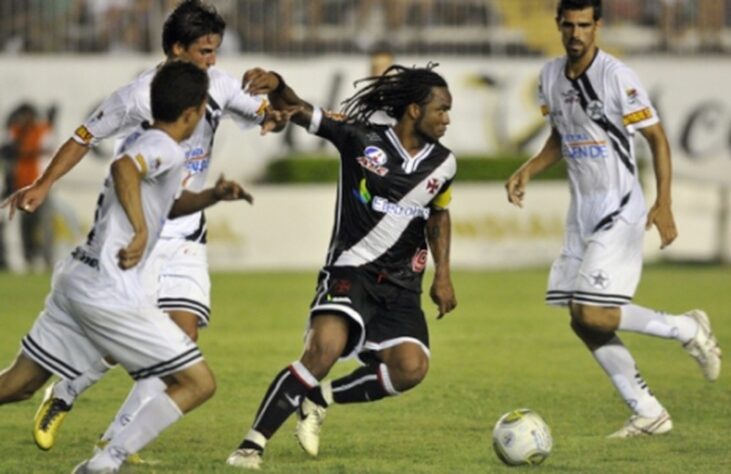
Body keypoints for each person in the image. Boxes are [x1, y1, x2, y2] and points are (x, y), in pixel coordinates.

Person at [2, 0, 289, 460]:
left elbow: (260, 115)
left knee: (175, 342)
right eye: (204, 51)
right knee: (181, 370)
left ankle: (110, 440)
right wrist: (48, 184)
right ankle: (85, 421)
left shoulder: (214, 86)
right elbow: (108, 155)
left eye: (215, 51)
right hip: (135, 247)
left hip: (172, 237)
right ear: (177, 49)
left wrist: (270, 119)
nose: (212, 61)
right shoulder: (142, 105)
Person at [505, 0, 721, 438]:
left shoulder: (616, 76)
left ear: (597, 26)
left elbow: (657, 138)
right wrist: (528, 168)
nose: (576, 34)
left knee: (595, 314)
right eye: (568, 25)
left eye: (584, 25)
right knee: (579, 318)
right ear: (558, 25)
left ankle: (685, 327)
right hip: (580, 213)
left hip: (619, 207)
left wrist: (665, 203)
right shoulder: (549, 76)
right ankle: (648, 412)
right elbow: (562, 136)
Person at [225, 63, 457, 470]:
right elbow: (296, 108)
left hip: (402, 284)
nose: (447, 119)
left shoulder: (444, 164)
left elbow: (437, 215)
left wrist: (443, 274)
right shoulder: (359, 136)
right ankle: (250, 446)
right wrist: (279, 83)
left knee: (410, 368)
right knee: (322, 351)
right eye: (441, 109)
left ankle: (320, 398)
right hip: (351, 270)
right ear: (415, 111)